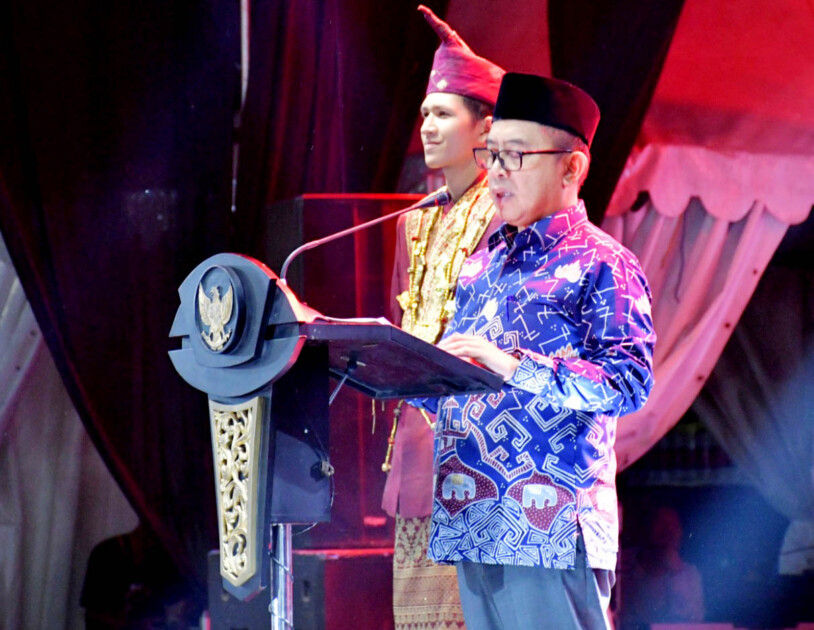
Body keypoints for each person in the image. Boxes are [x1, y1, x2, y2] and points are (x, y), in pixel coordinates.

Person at [418, 72, 657, 630]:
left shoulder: (603, 262)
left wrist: (514, 366)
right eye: (492, 154)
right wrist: (407, 374)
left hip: (550, 527)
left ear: (572, 168)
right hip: (472, 517)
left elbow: (628, 383)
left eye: (516, 156)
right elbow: (465, 381)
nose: (496, 172)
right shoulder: (481, 265)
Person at [381, 6, 505, 630]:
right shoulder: (414, 220)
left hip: (484, 451)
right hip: (416, 448)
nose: (426, 126)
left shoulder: (507, 212)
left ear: (486, 126)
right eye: (425, 113)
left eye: (443, 113)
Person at [620, 506, 705, 628]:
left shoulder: (690, 574)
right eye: (661, 523)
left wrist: (676, 574)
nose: (668, 531)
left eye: (674, 526)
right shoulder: (624, 563)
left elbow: (694, 619)